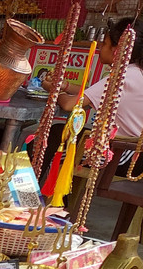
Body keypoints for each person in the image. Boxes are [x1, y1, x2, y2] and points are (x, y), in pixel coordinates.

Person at [37, 17, 143, 181]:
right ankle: (55, 201)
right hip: (132, 154)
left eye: (105, 43)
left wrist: (51, 88)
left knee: (49, 140)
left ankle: (28, 197)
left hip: (120, 156)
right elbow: (92, 93)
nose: (100, 47)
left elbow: (68, 104)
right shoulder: (135, 72)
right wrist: (64, 86)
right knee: (60, 135)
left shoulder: (123, 76)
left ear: (117, 50)